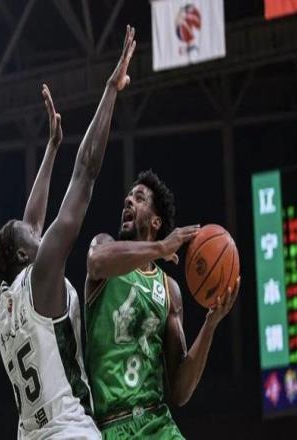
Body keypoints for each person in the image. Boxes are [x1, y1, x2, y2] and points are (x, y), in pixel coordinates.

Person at [0, 25, 137, 439]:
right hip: (69, 431)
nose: (37, 231)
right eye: (31, 235)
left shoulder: (5, 300)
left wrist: (52, 147)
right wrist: (110, 89)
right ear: (25, 255)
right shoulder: (41, 275)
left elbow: (32, 222)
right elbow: (86, 172)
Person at [85, 169, 241, 438]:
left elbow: (180, 391)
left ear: (156, 222)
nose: (128, 200)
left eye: (139, 198)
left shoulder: (169, 290)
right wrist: (160, 248)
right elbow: (95, 262)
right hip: (112, 425)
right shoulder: (104, 249)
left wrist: (210, 324)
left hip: (157, 422)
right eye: (128, 197)